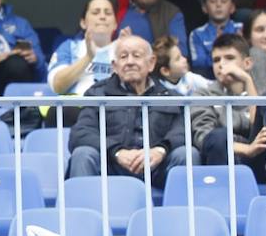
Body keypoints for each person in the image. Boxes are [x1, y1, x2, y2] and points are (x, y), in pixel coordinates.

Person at [67, 35, 195, 184]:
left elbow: (183, 131)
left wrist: (160, 150)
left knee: (187, 154)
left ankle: (181, 208)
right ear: (114, 66)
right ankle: (84, 207)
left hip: (157, 168)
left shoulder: (170, 97)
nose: (130, 62)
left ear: (151, 63)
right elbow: (81, 133)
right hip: (111, 167)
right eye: (123, 57)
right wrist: (117, 152)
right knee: (83, 153)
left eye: (137, 56)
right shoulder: (98, 93)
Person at [190, 33, 266, 183]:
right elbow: (204, 139)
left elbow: (254, 122)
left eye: (229, 58)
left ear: (247, 63)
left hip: (258, 162)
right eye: (216, 60)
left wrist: (247, 79)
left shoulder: (256, 94)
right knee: (218, 135)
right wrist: (248, 149)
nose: (221, 64)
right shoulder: (203, 94)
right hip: (222, 162)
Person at [48, 0, 118, 97]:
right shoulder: (69, 47)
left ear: (115, 24)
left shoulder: (124, 50)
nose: (102, 16)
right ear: (83, 23)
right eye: (95, 12)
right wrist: (88, 58)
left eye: (108, 13)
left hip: (115, 110)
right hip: (76, 110)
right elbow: (57, 86)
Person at [188, 0, 243, 75]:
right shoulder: (196, 34)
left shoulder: (241, 28)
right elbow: (199, 65)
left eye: (224, 1)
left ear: (232, 7)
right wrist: (216, 48)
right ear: (204, 7)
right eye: (213, 1)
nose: (218, 5)